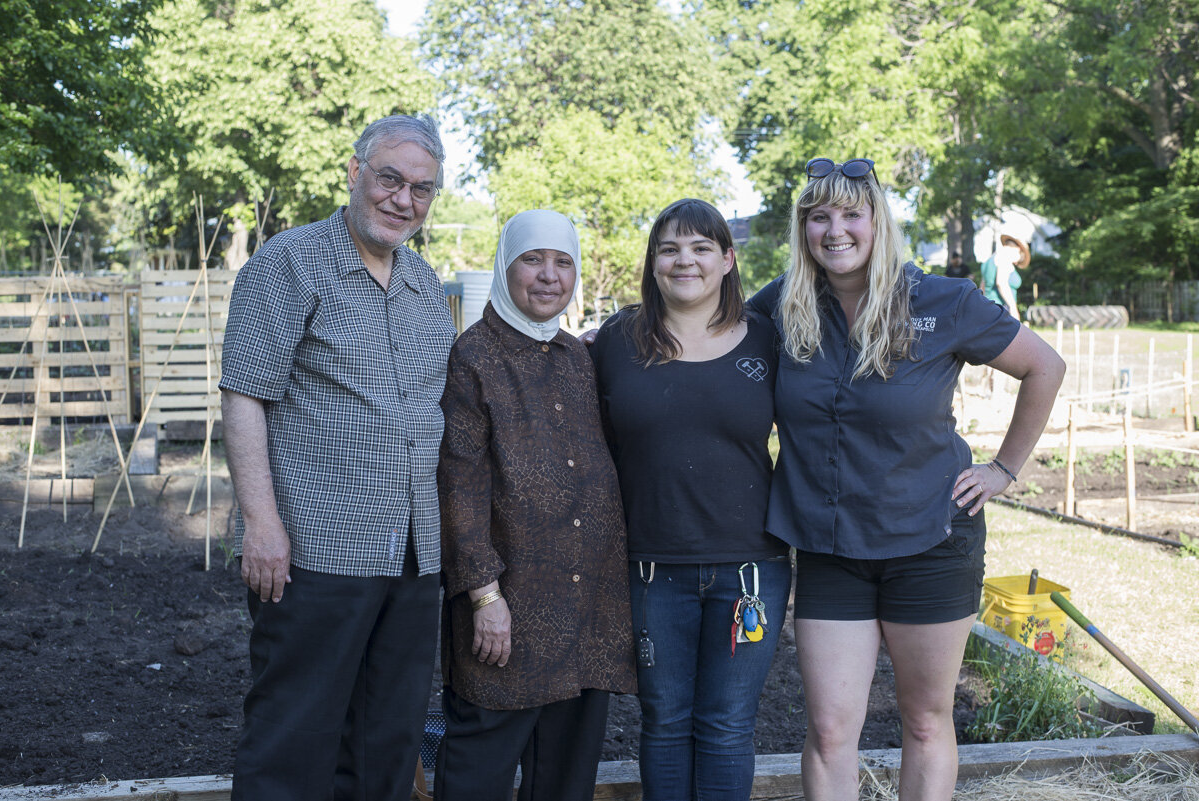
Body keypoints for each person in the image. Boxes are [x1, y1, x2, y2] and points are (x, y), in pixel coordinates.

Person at [748, 157, 1064, 801]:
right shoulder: (781, 305)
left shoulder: (943, 301)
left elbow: (1044, 367)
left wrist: (1003, 469)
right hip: (830, 547)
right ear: (802, 228)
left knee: (924, 721)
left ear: (878, 223)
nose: (835, 230)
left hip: (930, 540)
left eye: (851, 214)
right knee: (832, 730)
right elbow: (700, 331)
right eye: (818, 217)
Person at [219, 114, 458, 801]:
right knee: (293, 738)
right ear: (355, 174)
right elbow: (244, 396)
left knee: (386, 741)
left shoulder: (423, 285)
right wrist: (261, 524)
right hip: (317, 552)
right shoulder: (288, 263)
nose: (403, 199)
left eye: (422, 188)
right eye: (390, 178)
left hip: (413, 558)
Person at [590, 198, 792, 801]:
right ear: (653, 264)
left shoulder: (767, 340)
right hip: (652, 568)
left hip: (751, 569)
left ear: (728, 260)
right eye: (670, 248)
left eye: (702, 247)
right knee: (666, 722)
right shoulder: (617, 342)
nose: (686, 260)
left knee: (727, 727)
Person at [435, 210, 636, 801]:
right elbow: (458, 484)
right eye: (533, 259)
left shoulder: (577, 357)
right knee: (480, 771)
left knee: (565, 778)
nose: (549, 276)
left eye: (563, 262)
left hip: (585, 609)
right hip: (508, 611)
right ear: (506, 265)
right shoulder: (472, 358)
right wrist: (485, 595)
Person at [980, 216, 1034, 319]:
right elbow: (1001, 283)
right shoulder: (1004, 258)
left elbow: (982, 287)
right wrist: (1013, 308)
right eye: (1019, 259)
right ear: (1018, 249)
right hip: (1001, 310)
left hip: (987, 309)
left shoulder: (991, 259)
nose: (1017, 262)